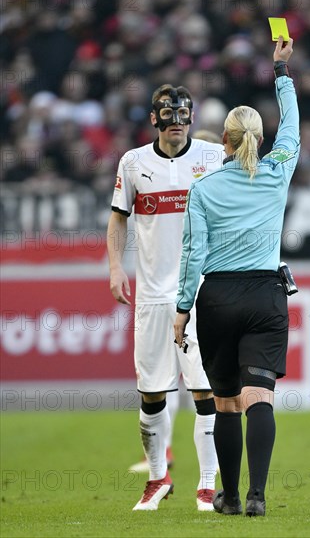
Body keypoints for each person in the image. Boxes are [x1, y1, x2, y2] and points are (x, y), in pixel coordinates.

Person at [174, 37, 299, 517]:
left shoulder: (202, 189)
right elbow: (294, 129)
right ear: (259, 140)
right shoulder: (277, 171)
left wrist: (183, 309)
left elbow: (193, 253)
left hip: (219, 297)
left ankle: (226, 495)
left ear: (221, 141)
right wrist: (281, 72)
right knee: (260, 397)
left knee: (225, 401)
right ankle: (257, 497)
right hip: (267, 295)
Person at [107, 85, 224, 511]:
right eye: (169, 116)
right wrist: (116, 268)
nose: (177, 123)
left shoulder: (211, 158)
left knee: (204, 390)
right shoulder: (134, 162)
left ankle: (207, 486)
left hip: (201, 293)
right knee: (152, 393)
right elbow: (118, 219)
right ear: (154, 120)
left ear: (192, 119)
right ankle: (158, 479)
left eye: (184, 116)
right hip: (153, 297)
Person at [127, 129, 222, 476]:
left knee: (201, 388)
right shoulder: (140, 166)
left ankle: (207, 478)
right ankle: (163, 457)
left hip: (200, 292)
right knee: (161, 387)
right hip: (160, 293)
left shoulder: (215, 183)